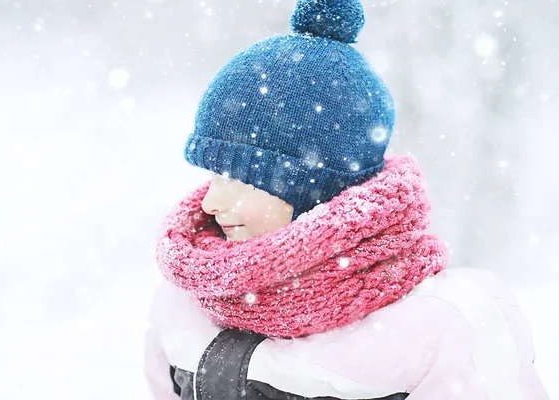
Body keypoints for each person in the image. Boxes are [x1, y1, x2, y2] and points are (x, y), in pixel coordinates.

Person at [145, 0, 550, 398]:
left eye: (237, 177)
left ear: (313, 191)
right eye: (213, 175)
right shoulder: (185, 302)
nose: (209, 203)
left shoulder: (443, 327)